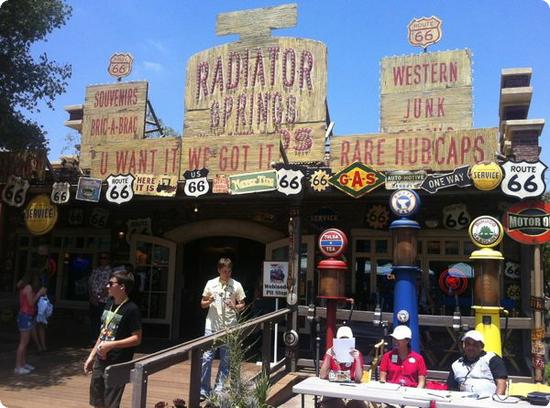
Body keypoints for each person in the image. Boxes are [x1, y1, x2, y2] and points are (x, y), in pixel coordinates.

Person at [84, 266, 142, 408]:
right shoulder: (109, 304)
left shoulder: (131, 309)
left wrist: (111, 345)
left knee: (111, 403)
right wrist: (91, 355)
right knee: (97, 401)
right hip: (101, 358)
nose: (107, 286)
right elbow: (103, 332)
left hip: (118, 361)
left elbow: (137, 338)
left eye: (111, 283)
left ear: (122, 287)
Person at [200, 257, 246, 401]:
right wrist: (209, 301)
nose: (227, 274)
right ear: (219, 270)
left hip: (229, 327)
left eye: (229, 271)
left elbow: (242, 304)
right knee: (207, 358)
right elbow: (202, 304)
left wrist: (235, 306)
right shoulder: (210, 283)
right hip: (212, 327)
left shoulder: (236, 285)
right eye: (225, 271)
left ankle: (219, 389)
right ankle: (203, 390)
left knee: (226, 359)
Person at [446, 330, 507, 396]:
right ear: (464, 346)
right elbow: (451, 389)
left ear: (482, 346)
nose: (471, 348)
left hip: (488, 402)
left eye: (475, 344)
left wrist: (496, 402)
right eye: (468, 344)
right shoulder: (456, 365)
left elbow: (501, 383)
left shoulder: (492, 358)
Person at [319, 325, 367, 408]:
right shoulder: (331, 352)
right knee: (332, 404)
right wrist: (328, 355)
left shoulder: (357, 354)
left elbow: (358, 378)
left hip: (352, 391)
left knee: (359, 405)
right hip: (333, 390)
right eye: (342, 339)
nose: (344, 341)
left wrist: (358, 360)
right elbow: (322, 375)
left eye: (347, 340)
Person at [14, 270, 46, 374]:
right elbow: (31, 303)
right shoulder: (28, 287)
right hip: (25, 316)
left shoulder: (24, 287)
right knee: (23, 343)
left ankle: (23, 364)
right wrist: (39, 294)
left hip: (25, 315)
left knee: (25, 342)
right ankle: (18, 366)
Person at [89, 252, 112, 343]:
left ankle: (102, 339)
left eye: (105, 258)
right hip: (93, 299)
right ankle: (94, 339)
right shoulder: (95, 270)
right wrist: (92, 296)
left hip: (104, 300)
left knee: (104, 321)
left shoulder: (111, 271)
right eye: (101, 258)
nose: (103, 260)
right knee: (94, 320)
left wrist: (98, 297)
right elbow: (90, 284)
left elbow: (109, 286)